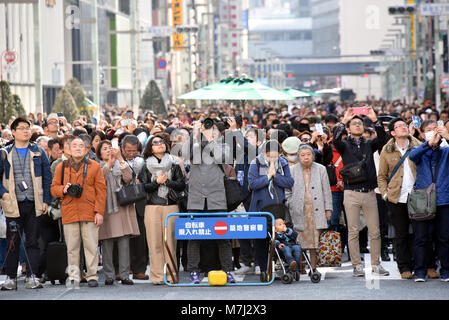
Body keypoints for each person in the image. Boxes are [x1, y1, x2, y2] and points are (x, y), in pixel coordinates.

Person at [333, 107, 390, 277]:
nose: (358, 125)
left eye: (360, 123)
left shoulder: (369, 144)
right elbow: (335, 140)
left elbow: (383, 139)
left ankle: (376, 264)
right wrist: (343, 121)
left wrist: (375, 120)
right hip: (350, 192)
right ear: (348, 129)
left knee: (375, 231)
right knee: (353, 231)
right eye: (354, 123)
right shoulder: (344, 145)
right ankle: (356, 266)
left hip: (369, 192)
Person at [0, 117, 53, 290]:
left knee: (32, 241)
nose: (26, 131)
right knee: (12, 241)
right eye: (21, 128)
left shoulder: (38, 151)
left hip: (34, 202)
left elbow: (47, 177)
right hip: (13, 203)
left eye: (27, 128)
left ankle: (32, 276)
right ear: (13, 132)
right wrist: (4, 194)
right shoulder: (4, 152)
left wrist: (46, 200)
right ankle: (10, 278)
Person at [50, 135, 107, 288]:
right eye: (74, 146)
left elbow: (101, 191)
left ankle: (92, 276)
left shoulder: (94, 166)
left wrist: (99, 212)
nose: (77, 148)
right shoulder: (61, 167)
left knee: (91, 246)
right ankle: (74, 276)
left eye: (81, 146)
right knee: (72, 247)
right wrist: (64, 189)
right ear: (68, 149)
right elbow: (53, 188)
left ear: (86, 149)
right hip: (69, 210)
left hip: (89, 211)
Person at [184, 120, 235, 284]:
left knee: (223, 237)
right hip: (196, 198)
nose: (209, 132)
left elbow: (225, 158)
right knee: (194, 237)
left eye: (213, 130)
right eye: (208, 129)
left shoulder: (223, 146)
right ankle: (193, 271)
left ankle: (228, 270)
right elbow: (185, 154)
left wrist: (212, 140)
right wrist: (195, 133)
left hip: (217, 197)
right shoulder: (195, 144)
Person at [138, 134, 186, 285]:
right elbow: (143, 187)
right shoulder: (146, 165)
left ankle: (171, 275)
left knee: (171, 243)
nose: (159, 144)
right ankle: (157, 276)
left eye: (161, 142)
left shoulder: (174, 163)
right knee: (154, 243)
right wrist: (157, 183)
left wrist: (168, 182)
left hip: (171, 206)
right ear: (150, 148)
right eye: (155, 143)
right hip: (152, 207)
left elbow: (181, 185)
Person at [378, 117, 421, 279]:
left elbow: (425, 149)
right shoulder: (387, 150)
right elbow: (381, 176)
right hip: (396, 197)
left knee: (419, 233)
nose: (403, 127)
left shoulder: (416, 145)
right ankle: (404, 267)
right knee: (401, 234)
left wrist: (413, 134)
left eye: (404, 125)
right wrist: (385, 193)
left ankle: (420, 265)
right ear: (393, 133)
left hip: (418, 196)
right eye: (399, 126)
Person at [248, 140, 294, 281]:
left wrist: (276, 176)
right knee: (261, 241)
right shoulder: (255, 163)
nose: (273, 159)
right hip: (260, 208)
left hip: (279, 209)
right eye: (269, 156)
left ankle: (279, 267)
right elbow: (253, 184)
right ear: (264, 154)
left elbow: (289, 182)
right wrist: (267, 176)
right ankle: (263, 269)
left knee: (280, 239)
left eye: (275, 156)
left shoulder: (284, 163)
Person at [97, 139, 140, 286]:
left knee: (124, 243)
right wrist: (108, 164)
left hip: (122, 206)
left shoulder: (120, 164)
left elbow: (128, 178)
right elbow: (99, 180)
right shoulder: (96, 166)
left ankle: (124, 275)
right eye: (104, 149)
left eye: (110, 148)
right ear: (99, 153)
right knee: (107, 244)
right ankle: (109, 275)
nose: (108, 151)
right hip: (105, 207)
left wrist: (120, 159)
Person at [409, 126, 449, 282]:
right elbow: (413, 156)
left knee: (444, 237)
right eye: (430, 130)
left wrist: (447, 137)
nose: (434, 133)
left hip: (443, 199)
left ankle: (445, 270)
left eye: (436, 130)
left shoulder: (446, 151)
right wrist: (428, 144)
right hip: (423, 201)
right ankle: (420, 271)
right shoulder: (421, 151)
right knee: (421, 237)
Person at [286, 144, 332, 274]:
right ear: (298, 157)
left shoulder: (321, 169)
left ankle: (313, 268)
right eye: (303, 155)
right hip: (299, 210)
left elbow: (326, 191)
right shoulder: (292, 169)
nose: (306, 157)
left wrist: (328, 209)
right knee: (299, 239)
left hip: (316, 210)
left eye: (308, 155)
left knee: (314, 241)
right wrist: (291, 203)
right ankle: (300, 268)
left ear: (313, 155)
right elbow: (287, 191)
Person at [121, 134, 149, 281]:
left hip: (139, 203)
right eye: (128, 151)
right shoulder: (117, 161)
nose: (131, 154)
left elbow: (148, 180)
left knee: (140, 239)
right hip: (123, 203)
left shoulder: (143, 162)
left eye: (134, 151)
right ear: (122, 148)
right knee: (122, 238)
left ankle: (140, 269)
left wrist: (141, 182)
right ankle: (122, 269)